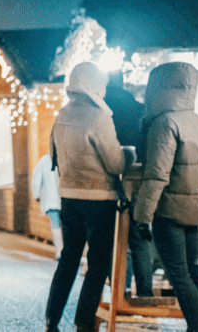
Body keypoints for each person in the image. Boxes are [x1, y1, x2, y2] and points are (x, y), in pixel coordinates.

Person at [43, 62, 132, 332]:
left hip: (68, 196)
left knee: (68, 259)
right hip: (98, 198)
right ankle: (84, 322)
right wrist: (130, 155)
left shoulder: (62, 115)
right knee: (97, 263)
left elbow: (52, 155)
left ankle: (52, 319)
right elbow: (115, 163)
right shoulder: (99, 117)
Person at [132, 62, 198, 332]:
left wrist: (142, 216)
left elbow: (157, 175)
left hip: (168, 210)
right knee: (192, 271)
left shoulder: (165, 123)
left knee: (179, 276)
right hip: (194, 208)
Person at [105, 74, 153, 298]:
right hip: (140, 179)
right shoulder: (142, 111)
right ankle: (145, 293)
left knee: (112, 240)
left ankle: (118, 292)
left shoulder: (103, 112)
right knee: (139, 238)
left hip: (110, 181)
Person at [31, 152, 63, 259]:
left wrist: (37, 195)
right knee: (66, 225)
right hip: (65, 199)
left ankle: (59, 251)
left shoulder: (44, 160)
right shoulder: (66, 157)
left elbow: (36, 179)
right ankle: (66, 251)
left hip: (51, 199)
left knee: (55, 224)